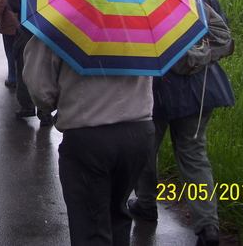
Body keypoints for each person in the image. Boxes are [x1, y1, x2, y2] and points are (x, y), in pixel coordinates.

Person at [128, 0, 235, 246]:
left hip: (157, 87)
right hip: (201, 86)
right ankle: (208, 226)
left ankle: (146, 204)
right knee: (194, 155)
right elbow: (219, 33)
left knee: (146, 150)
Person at [23, 36, 155, 246]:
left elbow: (40, 87)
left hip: (88, 136)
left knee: (91, 226)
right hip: (139, 132)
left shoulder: (58, 20)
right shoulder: (140, 22)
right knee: (118, 215)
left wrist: (59, 104)